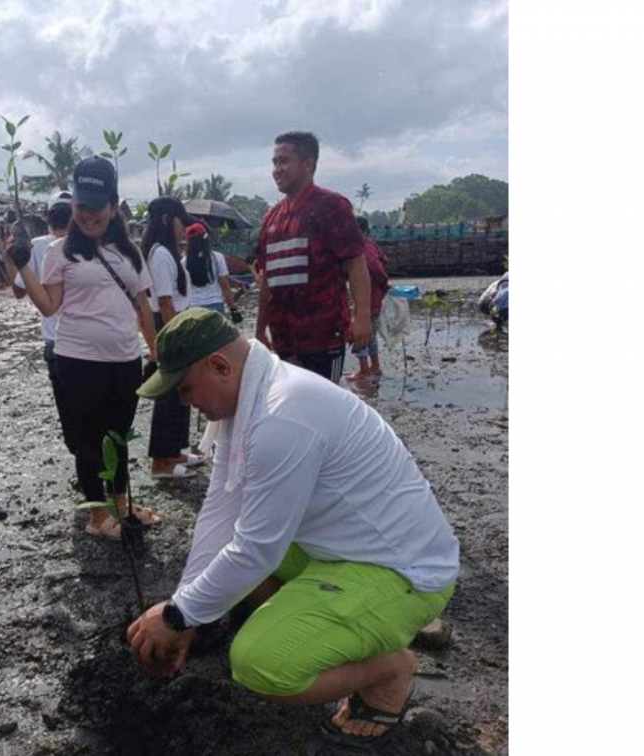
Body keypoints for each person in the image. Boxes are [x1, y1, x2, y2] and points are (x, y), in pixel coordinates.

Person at [127, 309, 459, 744]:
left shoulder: (282, 414)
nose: (187, 403)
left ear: (221, 366)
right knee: (234, 563)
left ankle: (389, 670)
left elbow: (255, 551)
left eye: (186, 389)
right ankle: (336, 627)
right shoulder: (249, 400)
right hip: (344, 549)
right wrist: (186, 613)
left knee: (259, 665)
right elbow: (221, 512)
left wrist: (175, 615)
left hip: (404, 571)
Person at [10, 156, 160, 540]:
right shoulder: (61, 252)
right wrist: (22, 264)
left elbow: (143, 305)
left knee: (120, 436)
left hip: (126, 359)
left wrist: (156, 352)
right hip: (78, 360)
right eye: (81, 206)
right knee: (90, 438)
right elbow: (49, 306)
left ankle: (122, 508)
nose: (88, 215)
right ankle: (97, 517)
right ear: (73, 206)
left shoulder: (130, 252)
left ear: (113, 206)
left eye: (97, 207)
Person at [254, 131, 372, 384]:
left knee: (324, 412)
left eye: (284, 161)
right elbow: (267, 278)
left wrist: (362, 317)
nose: (276, 169)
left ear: (308, 164)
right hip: (284, 340)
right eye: (274, 162)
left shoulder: (331, 206)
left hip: (323, 337)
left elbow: (355, 261)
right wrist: (259, 328)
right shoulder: (271, 218)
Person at [6, 191, 77, 456]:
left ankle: (84, 470)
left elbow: (18, 291)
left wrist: (10, 259)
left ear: (49, 218)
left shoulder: (36, 246)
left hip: (55, 343)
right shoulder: (85, 245)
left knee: (68, 411)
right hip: (86, 342)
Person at [141, 196, 205, 479]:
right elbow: (166, 302)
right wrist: (175, 341)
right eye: (181, 223)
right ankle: (161, 462)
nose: (183, 230)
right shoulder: (161, 254)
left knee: (182, 392)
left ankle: (175, 451)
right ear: (167, 220)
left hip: (176, 322)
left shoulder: (164, 252)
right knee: (168, 395)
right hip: (171, 324)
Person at [345, 216, 390, 383]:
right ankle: (375, 367)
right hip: (374, 297)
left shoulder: (363, 247)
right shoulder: (370, 245)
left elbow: (375, 267)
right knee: (370, 333)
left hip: (367, 298)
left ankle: (364, 370)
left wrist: (384, 284)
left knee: (360, 332)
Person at [183, 222, 243, 323]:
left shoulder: (183, 262)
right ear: (206, 239)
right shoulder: (217, 258)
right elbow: (225, 286)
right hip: (215, 307)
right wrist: (233, 309)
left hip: (193, 310)